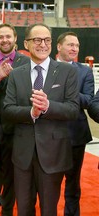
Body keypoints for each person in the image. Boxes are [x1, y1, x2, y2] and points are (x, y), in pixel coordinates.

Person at [3, 23, 79, 216]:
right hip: (23, 156)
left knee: (48, 210)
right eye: (37, 40)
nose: (43, 44)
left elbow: (73, 109)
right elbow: (7, 110)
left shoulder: (67, 71)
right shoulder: (16, 74)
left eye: (47, 40)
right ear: (26, 44)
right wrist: (32, 113)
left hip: (53, 155)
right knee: (24, 210)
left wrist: (47, 107)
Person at [0, 23, 30, 216]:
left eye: (8, 36)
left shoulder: (25, 62)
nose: (5, 40)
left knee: (11, 168)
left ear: (15, 39)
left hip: (17, 126)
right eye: (1, 37)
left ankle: (8, 204)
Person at [56, 31, 94, 216]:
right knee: (49, 183)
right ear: (59, 47)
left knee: (73, 183)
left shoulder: (85, 71)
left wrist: (68, 91)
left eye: (77, 45)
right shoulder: (47, 68)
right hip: (50, 135)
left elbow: (88, 100)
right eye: (70, 45)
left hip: (76, 136)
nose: (74, 49)